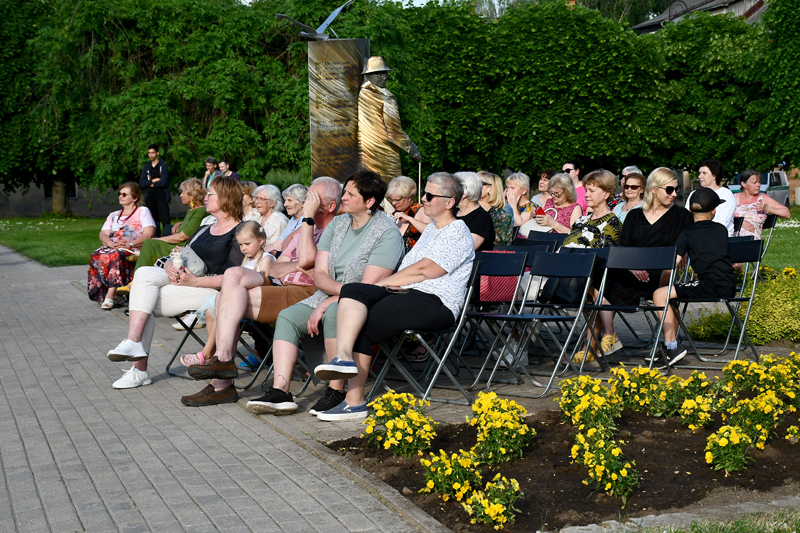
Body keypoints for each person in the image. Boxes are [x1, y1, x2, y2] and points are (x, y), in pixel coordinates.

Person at [311, 171, 475, 421]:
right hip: (408, 294)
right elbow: (410, 271)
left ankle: (354, 401)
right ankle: (343, 359)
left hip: (437, 302)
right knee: (352, 289)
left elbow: (424, 270)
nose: (424, 199)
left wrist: (381, 286)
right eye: (424, 193)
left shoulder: (457, 232)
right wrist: (379, 288)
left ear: (450, 202)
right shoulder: (432, 229)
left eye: (430, 195)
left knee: (363, 321)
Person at [243, 170, 403, 416]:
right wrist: (325, 299)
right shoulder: (339, 223)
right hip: (327, 293)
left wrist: (328, 302)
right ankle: (281, 391)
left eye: (350, 193)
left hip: (362, 301)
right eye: (344, 192)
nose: (344, 197)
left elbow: (368, 286)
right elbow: (319, 272)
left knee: (333, 313)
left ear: (370, 201)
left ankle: (336, 389)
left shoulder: (386, 232)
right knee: (287, 316)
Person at [179, 177, 343, 407]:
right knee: (233, 275)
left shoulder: (333, 230)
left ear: (330, 206)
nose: (307, 202)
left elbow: (307, 259)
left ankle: (221, 382)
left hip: (305, 292)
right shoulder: (303, 231)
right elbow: (277, 265)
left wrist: (306, 226)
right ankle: (224, 362)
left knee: (222, 301)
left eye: (313, 198)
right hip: (279, 283)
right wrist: (297, 265)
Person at [105, 176, 244, 390]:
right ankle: (133, 345)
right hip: (184, 280)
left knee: (144, 303)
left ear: (225, 199)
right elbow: (179, 252)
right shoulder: (205, 227)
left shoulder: (239, 232)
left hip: (212, 291)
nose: (205, 198)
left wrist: (196, 281)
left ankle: (139, 369)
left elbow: (234, 275)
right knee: (144, 274)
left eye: (210, 194)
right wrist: (170, 264)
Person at [592, 168, 694, 361]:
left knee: (607, 278)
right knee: (597, 276)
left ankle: (669, 345)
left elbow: (688, 246)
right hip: (631, 272)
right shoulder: (634, 216)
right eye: (670, 189)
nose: (675, 194)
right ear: (654, 189)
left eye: (676, 189)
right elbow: (623, 249)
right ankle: (609, 335)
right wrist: (632, 266)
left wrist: (682, 257)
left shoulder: (682, 216)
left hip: (661, 275)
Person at [653, 188, 737, 368]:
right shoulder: (722, 230)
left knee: (660, 295)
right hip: (727, 284)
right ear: (714, 211)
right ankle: (672, 344)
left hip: (709, 285)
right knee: (671, 298)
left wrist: (660, 285)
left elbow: (670, 268)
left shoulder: (687, 233)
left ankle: (671, 347)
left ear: (690, 211)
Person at [178, 221, 272, 369]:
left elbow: (265, 284)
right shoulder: (246, 259)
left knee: (220, 309)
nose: (243, 248)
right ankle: (214, 354)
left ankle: (207, 354)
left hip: (255, 305)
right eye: (240, 245)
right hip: (240, 302)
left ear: (261, 241)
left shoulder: (266, 259)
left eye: (247, 244)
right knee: (211, 310)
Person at [560, 170, 622, 366]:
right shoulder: (580, 220)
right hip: (576, 273)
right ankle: (602, 338)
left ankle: (590, 345)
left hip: (601, 275)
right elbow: (567, 247)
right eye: (585, 190)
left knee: (592, 284)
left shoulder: (613, 221)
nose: (586, 194)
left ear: (606, 194)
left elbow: (605, 257)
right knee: (589, 285)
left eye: (592, 191)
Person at [88, 182, 156, 309]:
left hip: (134, 247)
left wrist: (130, 243)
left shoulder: (142, 211)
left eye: (125, 194)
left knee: (114, 255)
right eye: (120, 194)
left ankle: (110, 295)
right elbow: (103, 233)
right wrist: (110, 243)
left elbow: (149, 233)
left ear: (134, 198)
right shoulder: (113, 215)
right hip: (114, 246)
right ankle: (108, 293)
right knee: (97, 254)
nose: (121, 196)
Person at [357, 57, 421, 180]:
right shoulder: (386, 97)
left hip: (366, 153)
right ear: (369, 76)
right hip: (385, 153)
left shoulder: (363, 91)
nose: (384, 76)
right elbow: (394, 131)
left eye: (385, 73)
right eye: (379, 73)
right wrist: (412, 148)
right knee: (391, 190)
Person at [133, 178, 208, 272]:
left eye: (183, 192)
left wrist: (157, 239)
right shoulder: (193, 211)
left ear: (191, 196)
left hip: (181, 248)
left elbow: (182, 237)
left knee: (150, 243)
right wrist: (180, 223)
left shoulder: (200, 212)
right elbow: (192, 225)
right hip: (176, 244)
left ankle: (136, 278)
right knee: (149, 244)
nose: (180, 195)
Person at [734, 169, 791, 239]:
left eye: (759, 182)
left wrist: (767, 208)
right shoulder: (734, 198)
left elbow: (787, 214)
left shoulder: (763, 198)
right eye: (754, 182)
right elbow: (720, 216)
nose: (758, 185)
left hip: (751, 241)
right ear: (743, 184)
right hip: (731, 237)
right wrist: (739, 223)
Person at [685, 160, 736, 236]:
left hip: (719, 239)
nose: (699, 176)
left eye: (704, 173)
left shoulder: (726, 195)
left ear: (714, 176)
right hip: (695, 236)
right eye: (700, 173)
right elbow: (687, 217)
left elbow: (722, 222)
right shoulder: (694, 194)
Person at [387, 175, 432, 251]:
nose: (393, 203)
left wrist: (410, 219)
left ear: (409, 197)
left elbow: (432, 232)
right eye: (392, 200)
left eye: (397, 200)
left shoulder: (421, 211)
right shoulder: (394, 213)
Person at [455, 172, 495, 251]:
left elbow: (466, 249)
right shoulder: (453, 211)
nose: (448, 192)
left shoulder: (482, 218)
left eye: (453, 188)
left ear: (464, 193)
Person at [265, 184, 308, 253]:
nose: (285, 204)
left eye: (289, 200)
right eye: (285, 200)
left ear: (303, 203)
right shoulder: (293, 219)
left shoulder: (307, 220)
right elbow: (278, 244)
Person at [139, 144, 170, 237]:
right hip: (150, 197)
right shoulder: (147, 166)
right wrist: (153, 180)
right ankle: (156, 237)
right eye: (149, 153)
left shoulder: (163, 165)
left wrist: (150, 184)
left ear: (157, 153)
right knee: (153, 218)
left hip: (162, 196)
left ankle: (168, 237)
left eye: (153, 153)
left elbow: (163, 182)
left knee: (165, 218)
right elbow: (142, 183)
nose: (151, 155)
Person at [478, 171, 513, 246]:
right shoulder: (464, 211)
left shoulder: (501, 217)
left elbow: (498, 246)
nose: (472, 186)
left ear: (490, 189)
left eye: (478, 183)